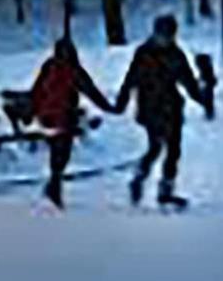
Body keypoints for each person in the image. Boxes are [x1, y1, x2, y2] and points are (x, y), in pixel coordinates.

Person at [115, 15, 211, 208]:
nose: (167, 39)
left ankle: (165, 191)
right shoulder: (143, 53)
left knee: (174, 150)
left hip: (172, 107)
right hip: (150, 107)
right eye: (164, 34)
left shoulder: (176, 54)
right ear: (156, 33)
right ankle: (139, 178)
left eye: (170, 35)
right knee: (156, 147)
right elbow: (130, 78)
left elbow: (188, 81)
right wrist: (122, 101)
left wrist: (203, 101)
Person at [30, 37, 114, 209]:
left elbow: (37, 89)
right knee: (62, 152)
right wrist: (108, 107)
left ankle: (54, 184)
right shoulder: (73, 70)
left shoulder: (50, 66)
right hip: (63, 117)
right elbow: (90, 90)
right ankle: (54, 186)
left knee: (58, 151)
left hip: (49, 117)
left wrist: (33, 110)